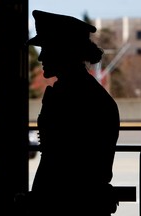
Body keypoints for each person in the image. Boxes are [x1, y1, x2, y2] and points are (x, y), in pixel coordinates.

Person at [24, 10, 120, 216]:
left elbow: (61, 163)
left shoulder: (72, 97)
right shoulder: (82, 93)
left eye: (47, 47)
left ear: (64, 50)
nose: (41, 56)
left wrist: (40, 200)